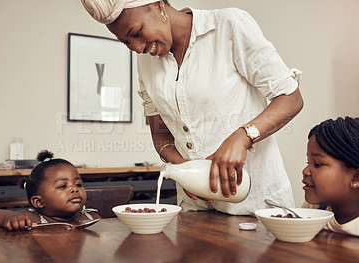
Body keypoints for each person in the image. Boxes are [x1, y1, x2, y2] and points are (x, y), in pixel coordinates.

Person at [81, 0, 304, 214]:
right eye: (127, 43)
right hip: (195, 207)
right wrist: (183, 171)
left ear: (158, 5)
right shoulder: (145, 63)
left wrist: (242, 137)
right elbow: (161, 134)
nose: (138, 48)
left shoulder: (228, 26)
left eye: (137, 33)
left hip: (255, 202)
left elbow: (290, 97)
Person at [0, 150, 100, 231]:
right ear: (39, 202)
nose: (74, 189)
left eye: (78, 184)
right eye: (62, 186)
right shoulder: (31, 219)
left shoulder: (90, 218)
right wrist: (7, 217)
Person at [302, 117, 359, 239]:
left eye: (318, 164)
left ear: (356, 178)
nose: (305, 171)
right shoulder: (312, 209)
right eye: (307, 162)